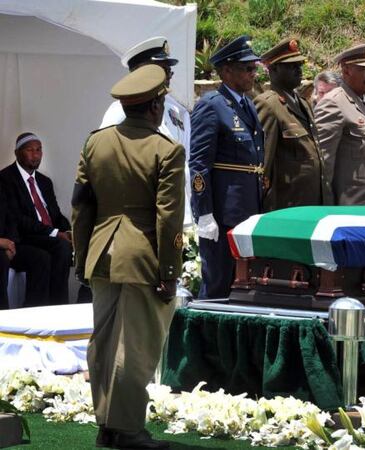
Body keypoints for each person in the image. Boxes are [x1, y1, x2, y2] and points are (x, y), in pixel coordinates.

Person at [72, 64, 183, 449]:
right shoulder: (166, 150)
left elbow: (81, 208)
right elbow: (168, 219)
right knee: (135, 349)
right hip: (142, 258)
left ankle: (107, 425)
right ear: (155, 106)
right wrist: (170, 271)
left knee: (103, 345)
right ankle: (128, 430)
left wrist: (81, 258)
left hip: (101, 255)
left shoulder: (95, 143)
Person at [189, 35, 264, 299]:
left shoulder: (247, 105)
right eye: (247, 68)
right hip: (223, 215)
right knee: (218, 285)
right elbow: (198, 164)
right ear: (226, 70)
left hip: (248, 212)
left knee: (243, 286)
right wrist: (205, 213)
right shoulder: (212, 106)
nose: (253, 74)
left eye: (254, 68)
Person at [99, 36, 192, 226]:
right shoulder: (119, 111)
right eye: (161, 69)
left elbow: (186, 163)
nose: (167, 76)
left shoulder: (177, 111)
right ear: (139, 73)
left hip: (181, 213)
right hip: (142, 218)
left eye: (168, 70)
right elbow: (108, 164)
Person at [0, 133, 72, 306]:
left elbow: (55, 214)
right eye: (30, 150)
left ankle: (57, 307)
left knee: (66, 246)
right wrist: (55, 233)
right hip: (23, 236)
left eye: (39, 150)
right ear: (17, 153)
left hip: (44, 236)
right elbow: (17, 218)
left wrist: (69, 230)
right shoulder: (5, 179)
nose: (36, 154)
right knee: (55, 248)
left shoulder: (44, 181)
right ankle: (43, 309)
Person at [315, 43, 365, 205]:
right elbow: (323, 165)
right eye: (363, 70)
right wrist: (327, 210)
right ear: (346, 70)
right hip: (351, 209)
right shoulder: (333, 103)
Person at [254, 38, 324, 210]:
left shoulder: (302, 103)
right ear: (274, 69)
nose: (298, 70)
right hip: (287, 202)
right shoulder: (269, 104)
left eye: (299, 65)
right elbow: (264, 162)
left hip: (311, 199)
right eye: (291, 66)